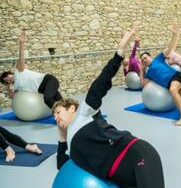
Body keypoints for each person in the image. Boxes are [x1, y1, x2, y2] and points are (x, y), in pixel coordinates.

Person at [53, 24, 164, 188]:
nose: (55, 117)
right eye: (54, 115)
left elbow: (100, 84)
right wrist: (62, 136)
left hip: (135, 155)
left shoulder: (84, 113)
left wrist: (119, 52)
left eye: (58, 111)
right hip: (119, 176)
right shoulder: (70, 141)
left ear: (71, 108)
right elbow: (62, 166)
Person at [0, 30, 62, 109]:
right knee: (61, 102)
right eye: (6, 81)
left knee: (48, 99)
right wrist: (7, 86)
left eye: (7, 77)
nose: (8, 79)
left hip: (48, 80)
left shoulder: (18, 71)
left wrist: (21, 43)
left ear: (10, 73)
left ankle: (60, 114)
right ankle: (67, 113)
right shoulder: (16, 86)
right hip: (43, 89)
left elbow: (21, 57)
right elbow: (11, 96)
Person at [140, 24, 181, 126]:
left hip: (176, 76)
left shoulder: (158, 58)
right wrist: (141, 70)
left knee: (173, 90)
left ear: (150, 57)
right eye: (142, 60)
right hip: (170, 83)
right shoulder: (148, 73)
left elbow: (169, 48)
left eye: (145, 57)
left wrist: (174, 35)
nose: (144, 60)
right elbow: (143, 84)